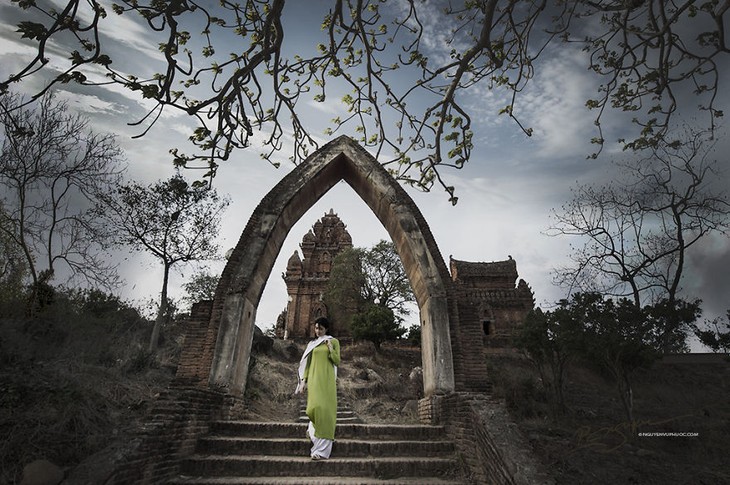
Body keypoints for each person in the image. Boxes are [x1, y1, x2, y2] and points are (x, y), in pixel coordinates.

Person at [294, 316, 341, 460]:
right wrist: (303, 382)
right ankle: (312, 429)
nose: (317, 331)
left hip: (326, 380)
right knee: (311, 409)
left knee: (325, 413)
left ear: (326, 328)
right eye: (316, 328)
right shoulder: (312, 344)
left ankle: (320, 451)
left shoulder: (333, 341)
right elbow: (307, 364)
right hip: (314, 380)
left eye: (320, 328)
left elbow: (337, 361)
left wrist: (331, 349)